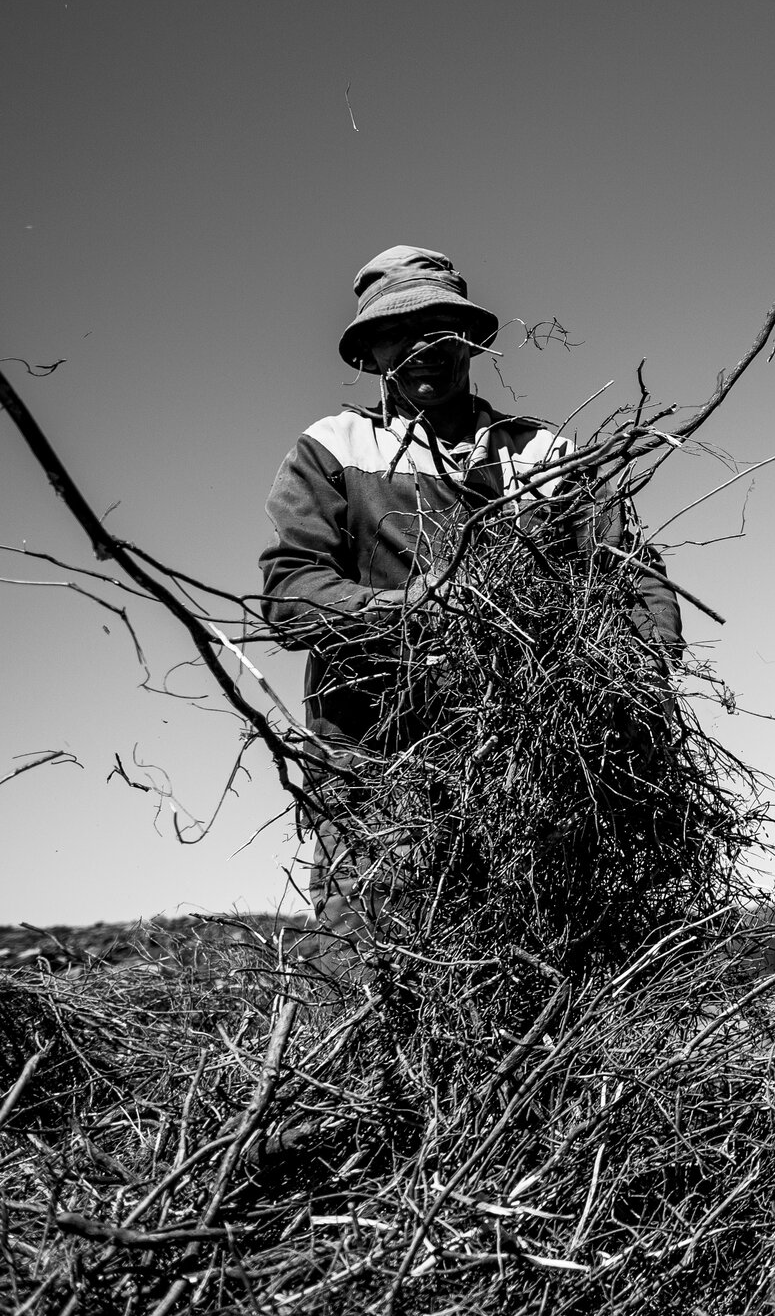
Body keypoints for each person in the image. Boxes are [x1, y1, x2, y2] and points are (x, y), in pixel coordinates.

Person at [259, 245, 682, 946]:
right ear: (370, 350)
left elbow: (631, 572)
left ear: (470, 340)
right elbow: (291, 594)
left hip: (537, 778)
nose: (425, 343)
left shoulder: (543, 453)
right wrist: (412, 609)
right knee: (372, 977)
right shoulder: (329, 448)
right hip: (379, 776)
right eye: (402, 327)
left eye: (442, 325)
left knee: (546, 978)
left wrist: (636, 683)